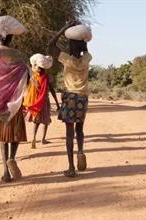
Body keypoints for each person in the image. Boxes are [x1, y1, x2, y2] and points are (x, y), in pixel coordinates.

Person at [0, 16, 29, 182]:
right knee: (15, 134)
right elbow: (25, 74)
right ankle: (12, 158)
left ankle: (5, 171)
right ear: (10, 37)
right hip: (14, 103)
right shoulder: (17, 55)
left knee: (2, 137)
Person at [48, 21, 92, 177]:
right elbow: (85, 49)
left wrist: (64, 28)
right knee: (80, 129)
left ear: (71, 46)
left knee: (69, 133)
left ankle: (71, 167)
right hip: (83, 98)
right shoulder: (87, 58)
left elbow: (51, 46)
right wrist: (83, 40)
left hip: (71, 97)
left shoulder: (67, 59)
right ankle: (80, 151)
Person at [23, 54, 60, 149]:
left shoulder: (34, 76)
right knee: (46, 120)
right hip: (44, 101)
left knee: (36, 121)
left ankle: (34, 138)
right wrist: (57, 103)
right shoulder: (46, 77)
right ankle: (43, 139)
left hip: (35, 101)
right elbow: (51, 90)